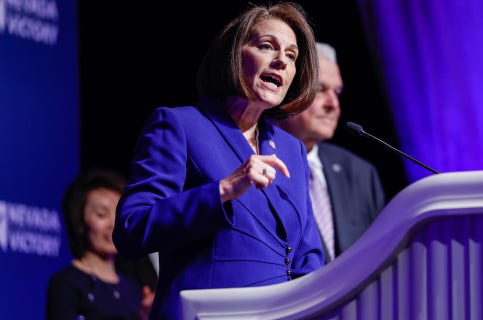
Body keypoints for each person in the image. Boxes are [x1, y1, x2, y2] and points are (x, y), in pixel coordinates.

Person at [112, 2, 324, 319]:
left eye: (292, 56)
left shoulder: (292, 149)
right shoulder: (179, 125)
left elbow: (309, 259)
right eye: (267, 47)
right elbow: (131, 229)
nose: (281, 61)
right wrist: (221, 191)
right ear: (233, 54)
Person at [274, 42, 386, 263]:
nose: (334, 104)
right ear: (285, 90)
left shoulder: (360, 173)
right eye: (320, 89)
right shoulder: (253, 162)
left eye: (336, 92)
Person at [46, 168, 154, 320]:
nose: (113, 224)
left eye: (119, 215)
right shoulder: (66, 284)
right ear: (80, 222)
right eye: (101, 215)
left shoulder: (133, 288)